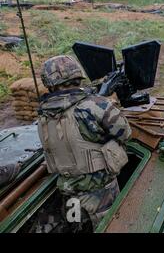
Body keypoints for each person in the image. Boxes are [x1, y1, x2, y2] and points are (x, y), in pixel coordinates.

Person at [34, 55, 131, 232]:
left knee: (79, 228)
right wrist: (106, 101)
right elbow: (125, 133)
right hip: (101, 192)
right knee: (109, 226)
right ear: (77, 77)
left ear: (50, 84)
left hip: (68, 191)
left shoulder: (42, 115)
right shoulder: (96, 105)